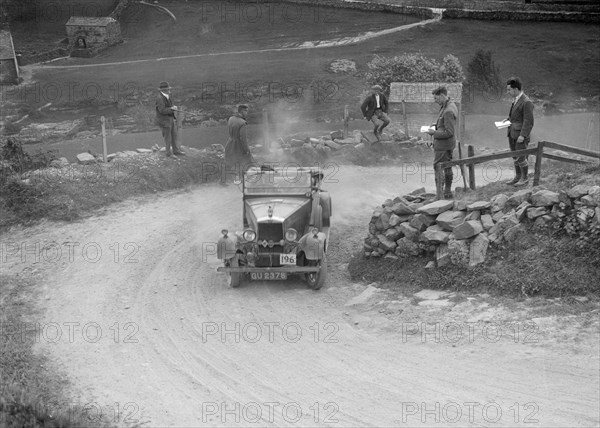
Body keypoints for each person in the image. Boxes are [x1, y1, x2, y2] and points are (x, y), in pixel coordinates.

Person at [427, 86, 458, 199]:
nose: (435, 101)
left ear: (442, 96)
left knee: (438, 167)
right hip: (447, 144)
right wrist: (435, 126)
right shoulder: (448, 105)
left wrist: (433, 133)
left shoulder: (448, 110)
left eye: (436, 98)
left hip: (443, 145)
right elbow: (443, 124)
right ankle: (447, 192)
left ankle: (440, 194)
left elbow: (449, 132)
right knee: (447, 166)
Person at [505, 77, 534, 187]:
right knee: (515, 156)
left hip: (520, 135)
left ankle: (524, 178)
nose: (507, 92)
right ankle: (517, 177)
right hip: (512, 132)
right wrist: (507, 120)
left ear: (515, 89)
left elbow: (528, 121)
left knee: (521, 156)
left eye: (509, 90)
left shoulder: (526, 102)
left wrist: (523, 135)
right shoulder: (516, 100)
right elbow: (515, 117)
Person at [154, 81, 185, 157]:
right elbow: (162, 110)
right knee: (168, 138)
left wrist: (173, 107)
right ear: (164, 90)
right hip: (164, 121)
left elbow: (169, 106)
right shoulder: (159, 98)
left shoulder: (167, 96)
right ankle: (169, 153)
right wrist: (172, 109)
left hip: (170, 119)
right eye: (168, 89)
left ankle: (176, 151)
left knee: (174, 135)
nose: (169, 90)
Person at [224, 104, 253, 183]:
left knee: (229, 162)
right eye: (246, 111)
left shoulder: (231, 118)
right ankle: (243, 180)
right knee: (247, 161)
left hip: (230, 143)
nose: (247, 113)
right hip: (238, 146)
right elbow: (243, 139)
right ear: (242, 111)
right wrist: (247, 150)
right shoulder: (242, 123)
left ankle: (223, 181)